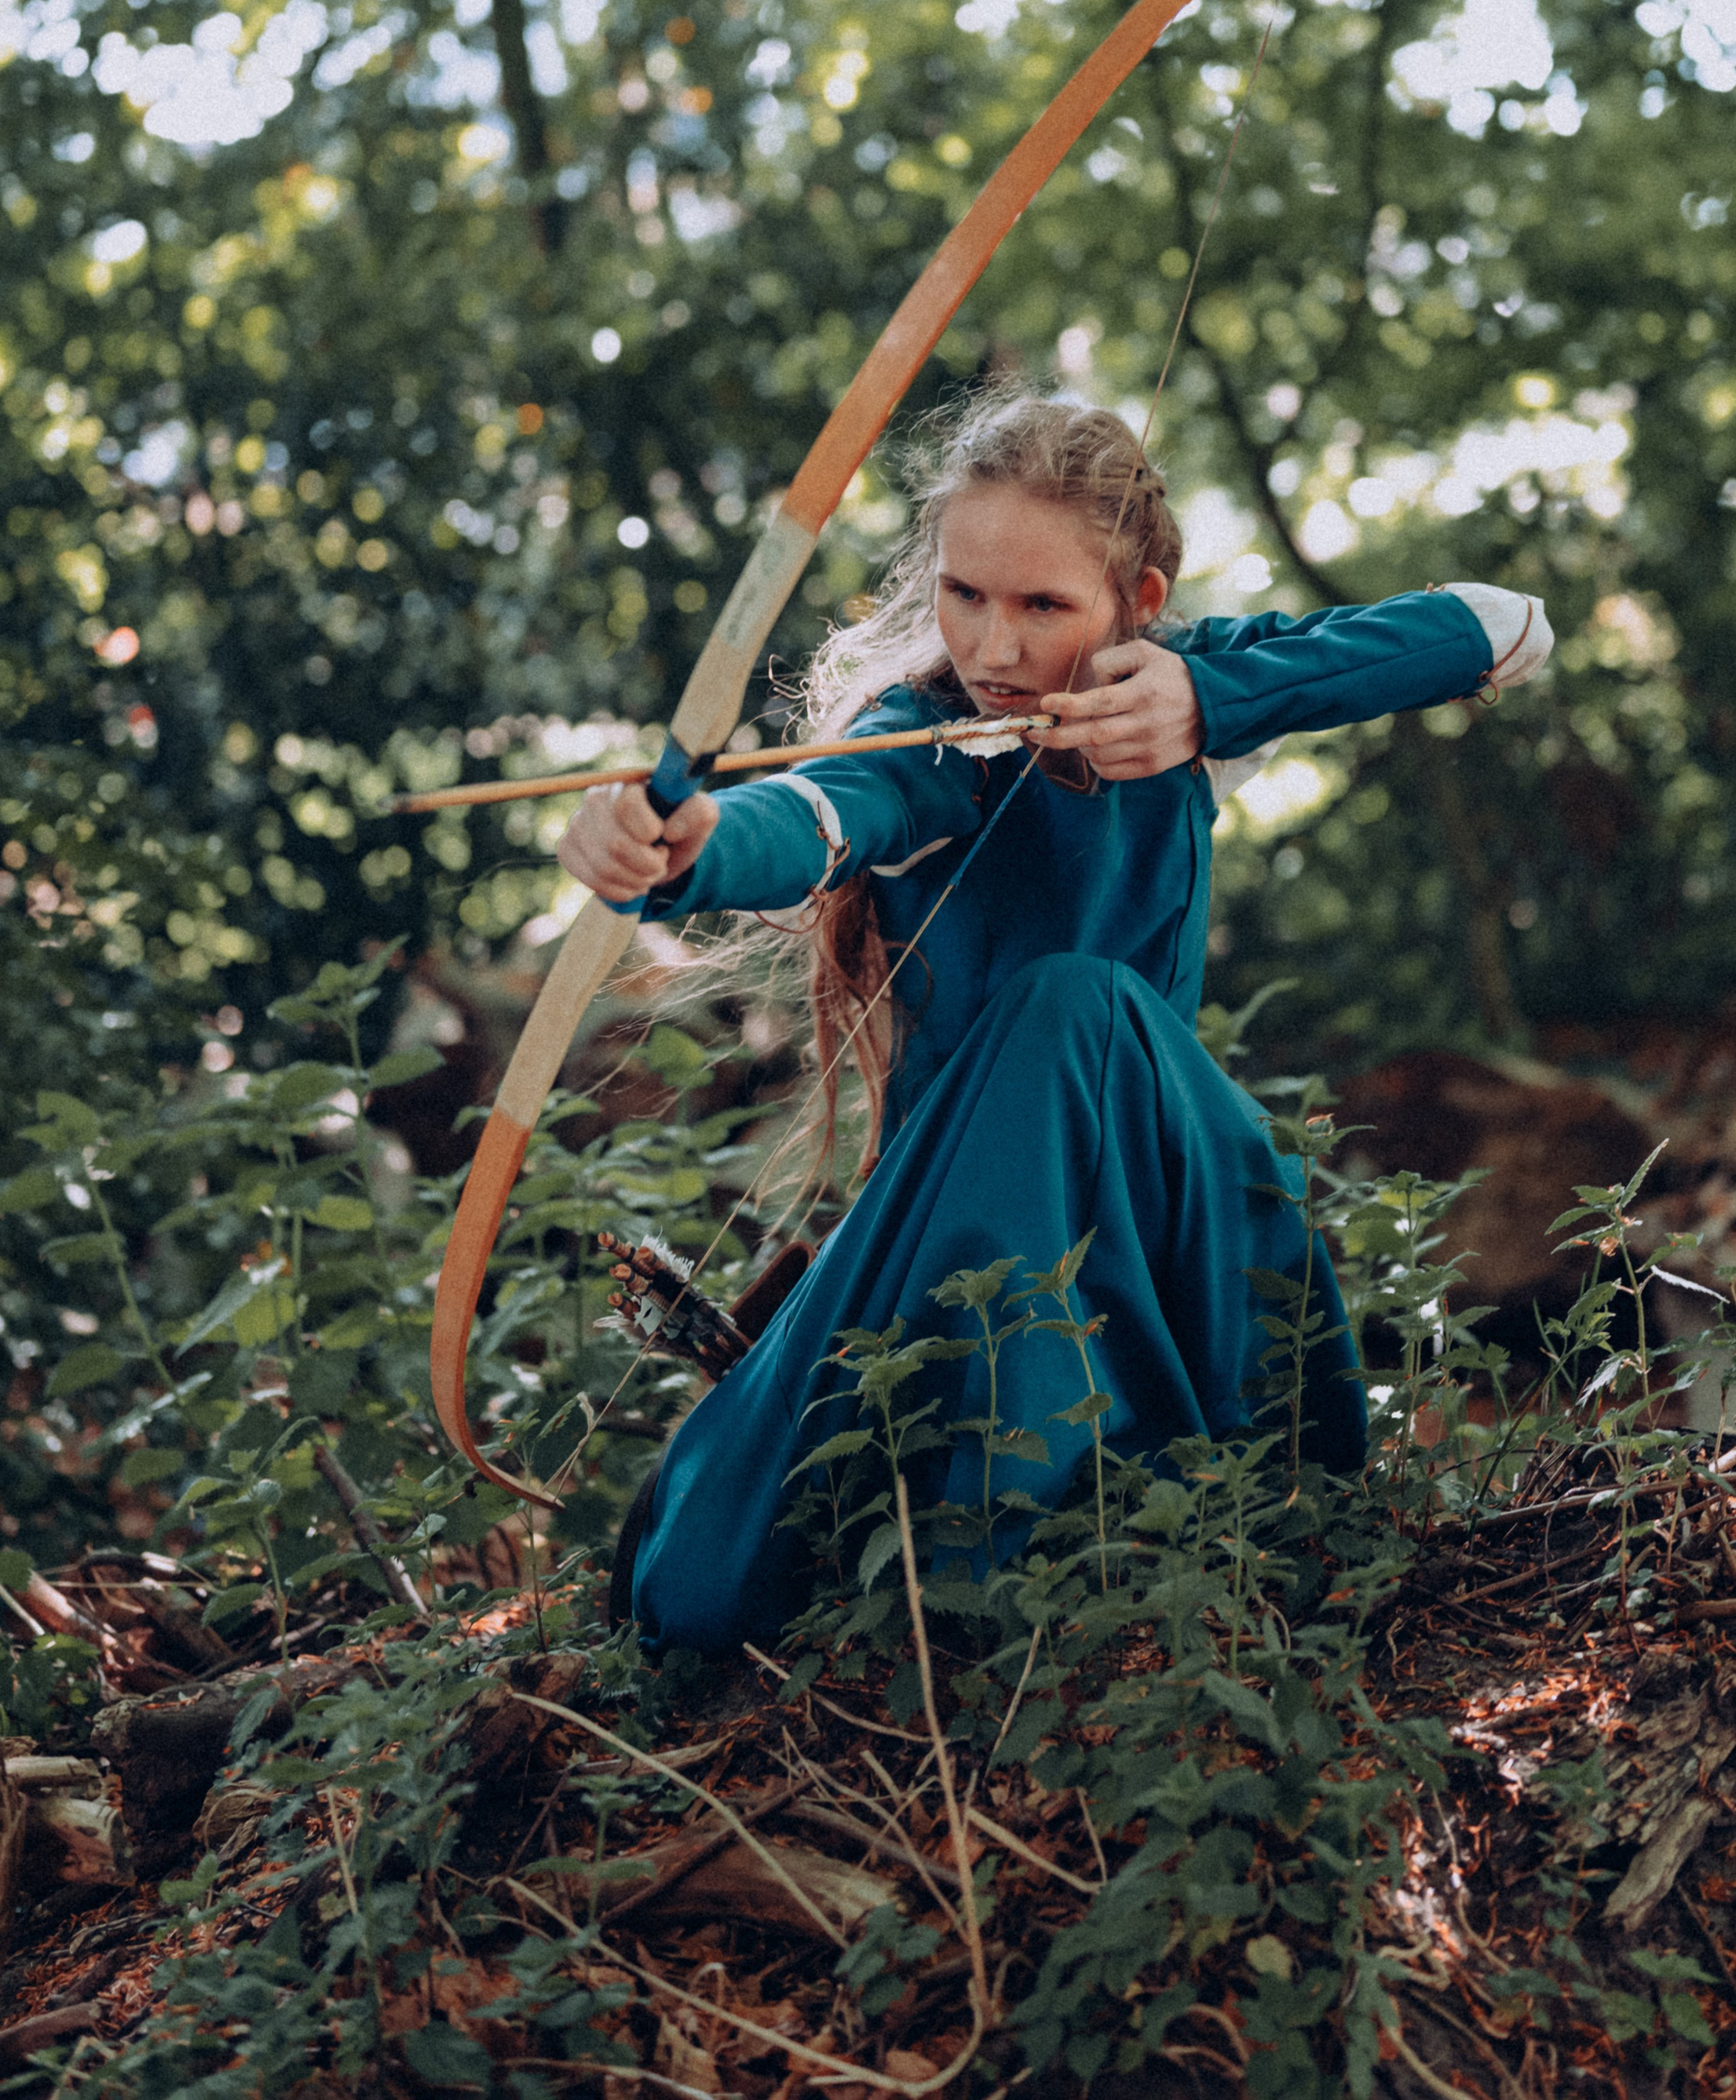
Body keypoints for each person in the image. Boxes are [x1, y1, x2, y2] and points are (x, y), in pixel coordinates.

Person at [558, 391, 1552, 1650]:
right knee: (701, 1594)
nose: (996, 646)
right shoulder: (929, 735)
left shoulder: (1177, 691)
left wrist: (1209, 704)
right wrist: (681, 849)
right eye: (966, 594)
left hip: (1162, 1203)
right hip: (962, 1221)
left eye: (1044, 605)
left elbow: (1501, 627)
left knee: (1080, 1002)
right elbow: (818, 818)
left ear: (1138, 600)